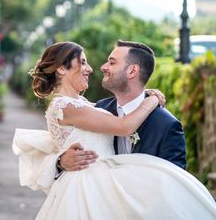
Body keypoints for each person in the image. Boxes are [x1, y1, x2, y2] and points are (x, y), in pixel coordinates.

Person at [3, 41, 216, 220]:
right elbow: (122, 127)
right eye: (83, 62)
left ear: (132, 71)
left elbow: (170, 184)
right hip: (85, 198)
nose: (94, 68)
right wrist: (151, 100)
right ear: (61, 70)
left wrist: (146, 99)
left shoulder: (150, 122)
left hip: (133, 215)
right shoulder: (70, 107)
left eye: (110, 61)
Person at [58, 40, 185, 173]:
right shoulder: (100, 109)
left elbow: (174, 182)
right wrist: (61, 161)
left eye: (112, 62)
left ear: (132, 71)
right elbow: (60, 144)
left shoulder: (167, 125)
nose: (103, 67)